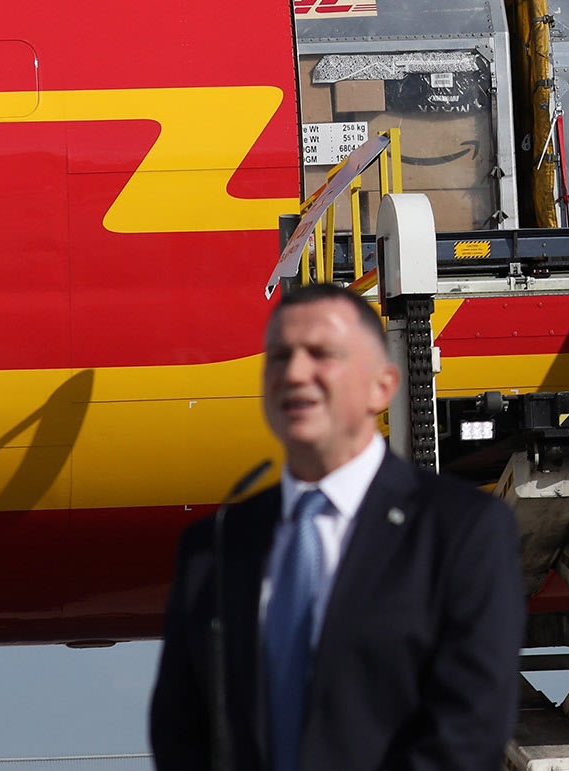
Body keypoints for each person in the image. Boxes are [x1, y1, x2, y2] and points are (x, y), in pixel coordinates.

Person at [150, 282, 522, 771]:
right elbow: (180, 734)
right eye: (279, 356)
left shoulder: (460, 531)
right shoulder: (212, 548)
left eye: (321, 354)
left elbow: (468, 729)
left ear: (382, 387)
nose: (295, 373)